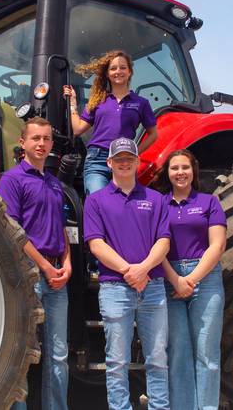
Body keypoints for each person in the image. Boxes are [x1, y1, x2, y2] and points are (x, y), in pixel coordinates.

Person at [83, 137, 171, 410]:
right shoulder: (96, 201)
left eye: (129, 158)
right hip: (115, 289)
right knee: (117, 361)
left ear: (137, 161)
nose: (124, 162)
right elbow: (96, 244)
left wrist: (143, 270)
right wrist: (128, 271)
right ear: (109, 163)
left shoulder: (155, 199)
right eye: (118, 158)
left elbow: (164, 241)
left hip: (152, 287)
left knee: (157, 358)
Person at [0, 117, 71, 410]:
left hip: (57, 278)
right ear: (22, 142)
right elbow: (13, 229)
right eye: (36, 139)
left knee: (59, 354)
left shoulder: (55, 184)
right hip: (29, 276)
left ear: (52, 144)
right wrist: (45, 266)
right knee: (23, 351)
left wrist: (66, 264)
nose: (41, 144)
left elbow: (61, 227)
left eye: (46, 139)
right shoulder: (12, 180)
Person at [152, 149, 227, 410]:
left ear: (193, 171)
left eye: (185, 167)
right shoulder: (160, 204)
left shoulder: (209, 202)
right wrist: (176, 280)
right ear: (168, 173)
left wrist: (191, 280)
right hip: (170, 278)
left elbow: (217, 246)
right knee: (179, 353)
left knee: (207, 354)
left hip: (205, 279)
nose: (180, 172)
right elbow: (156, 247)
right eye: (175, 168)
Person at [63, 50, 158, 195]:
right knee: (98, 202)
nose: (118, 71)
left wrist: (135, 152)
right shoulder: (98, 101)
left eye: (123, 67)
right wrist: (73, 104)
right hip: (97, 159)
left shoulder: (141, 103)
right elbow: (77, 129)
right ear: (107, 74)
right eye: (113, 68)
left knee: (123, 206)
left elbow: (153, 134)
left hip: (124, 159)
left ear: (130, 72)